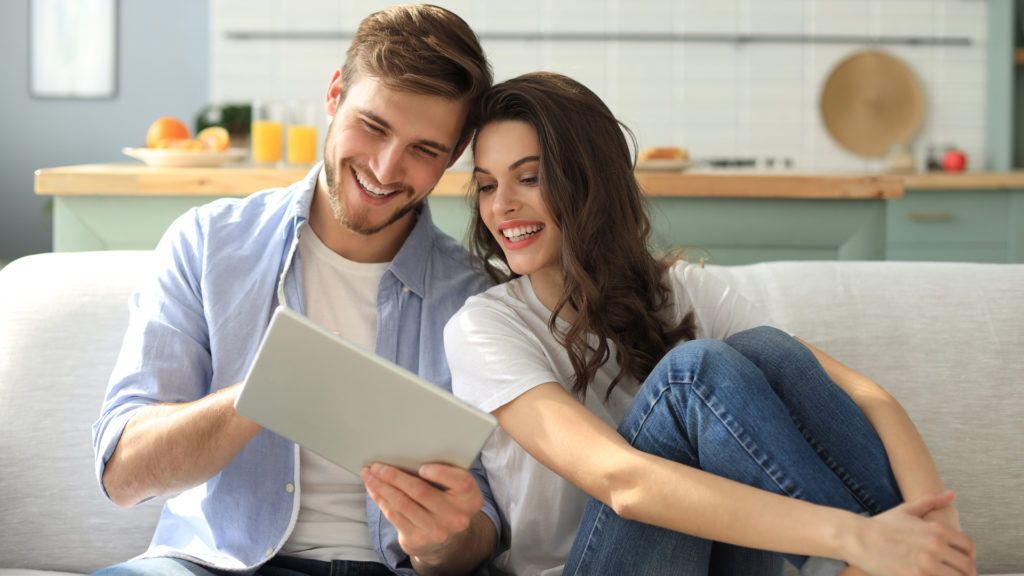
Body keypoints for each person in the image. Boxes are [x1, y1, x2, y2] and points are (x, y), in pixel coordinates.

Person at [444, 71, 976, 576]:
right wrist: (853, 536)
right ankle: (861, 561)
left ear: (590, 182)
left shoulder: (680, 292)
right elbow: (622, 481)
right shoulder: (485, 328)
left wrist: (937, 523)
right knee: (690, 374)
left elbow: (866, 396)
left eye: (529, 178)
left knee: (766, 350)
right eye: (487, 186)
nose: (502, 206)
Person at [91, 5, 501, 576]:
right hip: (212, 564)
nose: (385, 169)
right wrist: (261, 392)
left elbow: (485, 527)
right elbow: (122, 475)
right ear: (335, 95)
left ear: (453, 158)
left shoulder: (476, 296)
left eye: (424, 150)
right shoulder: (208, 243)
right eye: (373, 126)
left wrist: (441, 545)